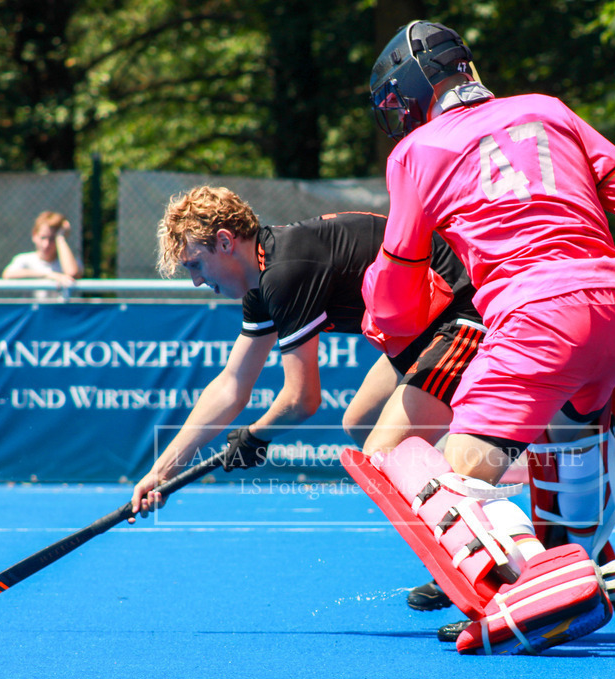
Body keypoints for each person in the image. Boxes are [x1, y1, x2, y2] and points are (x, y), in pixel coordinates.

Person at [355, 21, 615, 654]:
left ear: (415, 91)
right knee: (571, 445)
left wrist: (385, 319)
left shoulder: (415, 154)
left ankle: (538, 587)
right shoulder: (548, 110)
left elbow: (395, 297)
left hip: (536, 317)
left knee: (437, 480)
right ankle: (584, 569)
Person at [127, 185, 486, 528]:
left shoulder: (284, 272)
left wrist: (255, 436)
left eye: (195, 265)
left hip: (462, 314)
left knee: (381, 450)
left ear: (224, 241)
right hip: (419, 331)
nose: (196, 281)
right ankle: (455, 494)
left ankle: (477, 534)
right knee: (360, 424)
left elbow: (302, 398)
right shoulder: (263, 279)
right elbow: (230, 386)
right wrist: (162, 471)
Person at [2, 211, 82, 290]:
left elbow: (72, 273)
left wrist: (60, 238)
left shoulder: (70, 261)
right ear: (34, 235)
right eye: (43, 237)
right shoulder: (24, 259)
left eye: (52, 239)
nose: (46, 245)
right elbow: (8, 274)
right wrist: (48, 275)